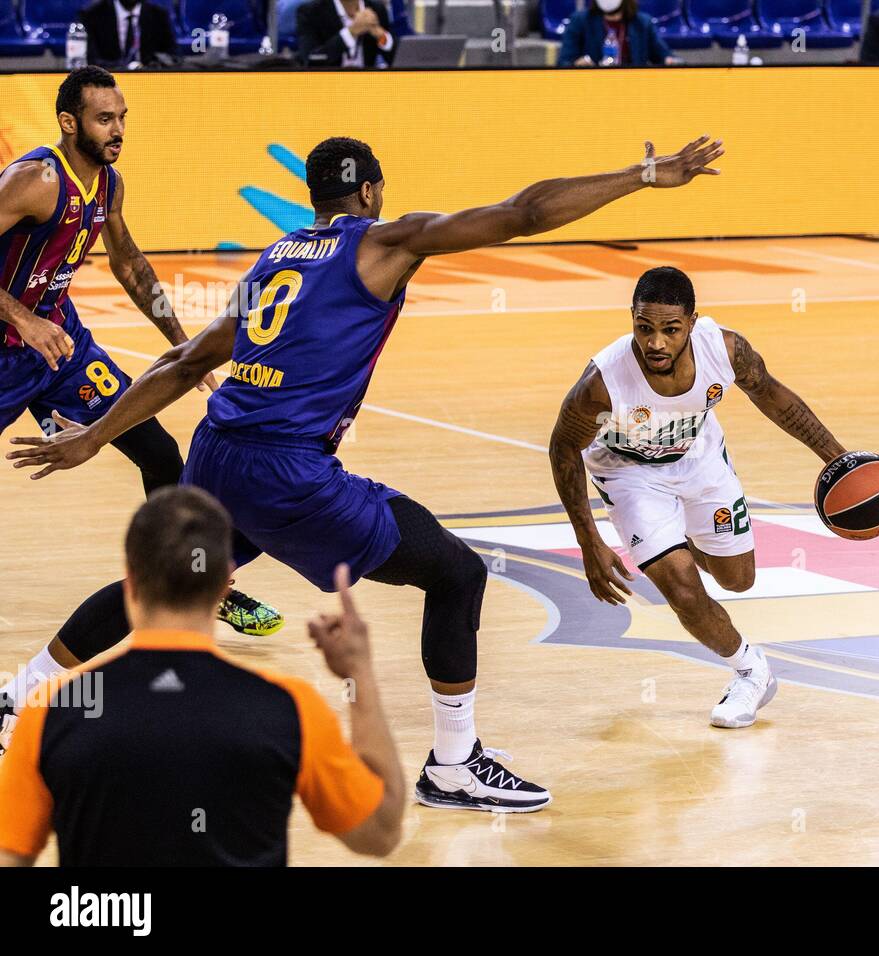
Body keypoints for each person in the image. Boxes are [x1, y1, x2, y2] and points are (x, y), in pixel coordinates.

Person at [7, 134, 725, 810]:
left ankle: (22, 693)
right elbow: (524, 214)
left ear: (314, 197)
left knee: (172, 580)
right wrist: (645, 176)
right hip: (285, 471)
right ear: (372, 192)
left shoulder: (278, 256)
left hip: (217, 450)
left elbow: (186, 361)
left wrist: (96, 437)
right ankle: (454, 764)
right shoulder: (385, 240)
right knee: (456, 574)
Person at [0, 67, 279, 710]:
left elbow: (127, 261)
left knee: (158, 453)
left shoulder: (109, 181)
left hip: (63, 350)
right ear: (69, 123)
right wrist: (22, 315)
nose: (118, 130)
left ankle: (190, 579)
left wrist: (185, 345)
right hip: (12, 345)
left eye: (122, 117)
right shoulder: (35, 180)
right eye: (105, 119)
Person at [0, 486, 404, 866]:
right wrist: (360, 675)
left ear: (130, 579)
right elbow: (380, 833)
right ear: (224, 582)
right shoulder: (290, 709)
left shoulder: (52, 713)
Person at [548, 267, 849, 729]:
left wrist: (837, 458)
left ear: (691, 322)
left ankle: (671, 540)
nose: (656, 344)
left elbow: (772, 396)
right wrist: (589, 540)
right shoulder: (603, 382)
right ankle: (751, 670)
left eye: (670, 330)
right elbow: (563, 447)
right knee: (683, 590)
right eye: (644, 328)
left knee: (737, 580)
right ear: (631, 319)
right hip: (631, 475)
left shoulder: (725, 350)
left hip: (700, 460)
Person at [558, 0, 681, 67]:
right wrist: (576, 65)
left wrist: (670, 60)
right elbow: (563, 63)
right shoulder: (579, 21)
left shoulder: (643, 23)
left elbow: (665, 56)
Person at [297, 0, 398, 68]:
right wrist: (350, 33)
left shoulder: (376, 9)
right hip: (329, 85)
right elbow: (310, 61)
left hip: (367, 85)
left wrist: (381, 35)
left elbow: (398, 60)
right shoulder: (311, 12)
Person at [80, 0, 177, 68]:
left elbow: (173, 55)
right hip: (107, 82)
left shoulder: (159, 15)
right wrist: (126, 67)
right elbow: (90, 60)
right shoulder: (92, 15)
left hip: (149, 81)